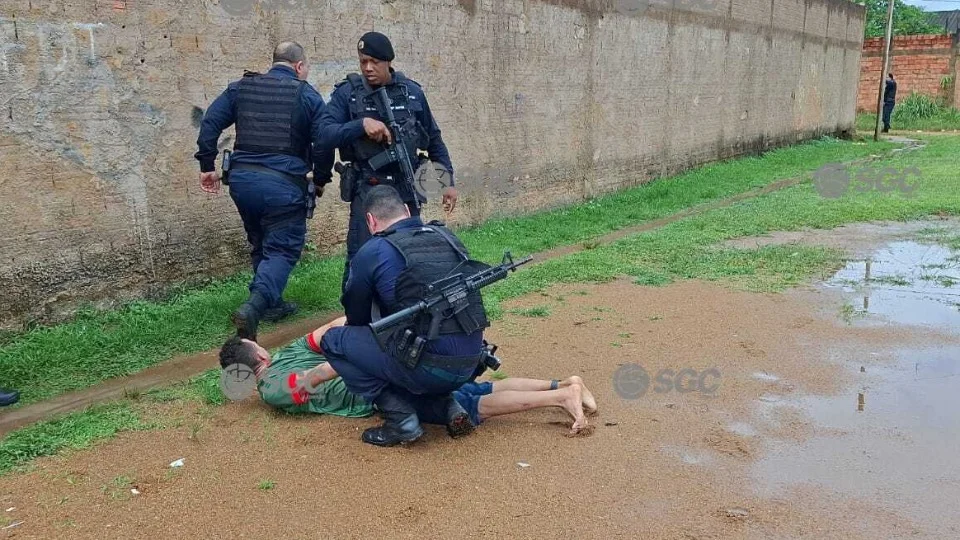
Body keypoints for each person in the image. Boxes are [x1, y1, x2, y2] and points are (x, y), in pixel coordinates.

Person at [292, 185, 493, 447]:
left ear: (370, 220)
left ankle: (401, 421)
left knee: (335, 341)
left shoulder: (374, 250)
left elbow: (357, 319)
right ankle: (448, 406)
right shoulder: (446, 236)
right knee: (419, 341)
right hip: (472, 362)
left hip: (428, 367)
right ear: (407, 211)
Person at [217, 318, 596, 435]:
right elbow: (331, 334)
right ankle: (565, 385)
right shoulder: (286, 358)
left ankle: (560, 395)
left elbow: (312, 376)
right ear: (259, 352)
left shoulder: (270, 383)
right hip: (378, 373)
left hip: (375, 385)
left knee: (471, 401)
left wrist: (358, 354)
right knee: (475, 388)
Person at [195, 41, 334, 340]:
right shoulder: (306, 94)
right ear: (299, 66)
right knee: (281, 249)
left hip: (242, 183)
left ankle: (272, 303)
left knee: (260, 241)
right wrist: (321, 178)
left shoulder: (241, 89)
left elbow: (210, 122)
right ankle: (254, 308)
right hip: (283, 186)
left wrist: (207, 164)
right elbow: (324, 141)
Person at [316, 31, 459, 290]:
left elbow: (434, 139)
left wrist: (447, 181)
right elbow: (324, 134)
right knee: (361, 257)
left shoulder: (411, 93)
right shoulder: (348, 94)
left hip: (406, 188)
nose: (368, 68)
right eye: (363, 62)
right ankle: (356, 309)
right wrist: (361, 125)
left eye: (375, 62)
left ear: (388, 62)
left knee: (411, 254)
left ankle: (405, 305)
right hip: (369, 188)